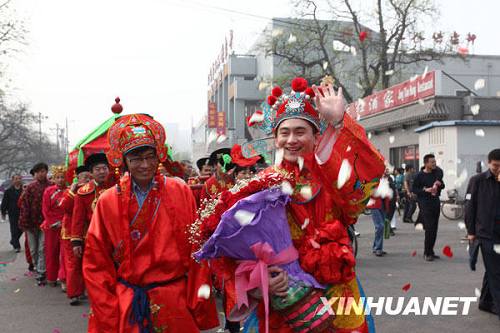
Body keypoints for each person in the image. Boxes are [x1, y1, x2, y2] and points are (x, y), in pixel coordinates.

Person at [194, 78, 385, 332]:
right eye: (285, 132)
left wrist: (340, 122)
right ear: (275, 139)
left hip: (336, 293)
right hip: (284, 299)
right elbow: (235, 254)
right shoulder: (259, 187)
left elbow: (368, 176)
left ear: (316, 136)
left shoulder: (332, 177)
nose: (292, 139)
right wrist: (261, 281)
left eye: (300, 131)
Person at [83, 112, 218, 332]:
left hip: (174, 298)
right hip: (130, 300)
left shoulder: (179, 190)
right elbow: (96, 263)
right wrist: (108, 311)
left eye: (150, 157)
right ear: (124, 161)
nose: (145, 165)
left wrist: (198, 302)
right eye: (136, 159)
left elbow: (197, 250)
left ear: (159, 157)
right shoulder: (107, 201)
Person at [465, 148, 500, 319]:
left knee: (493, 270)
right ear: (489, 163)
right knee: (496, 272)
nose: (498, 170)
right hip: (485, 234)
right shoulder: (477, 180)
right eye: (495, 166)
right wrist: (471, 232)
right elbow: (469, 208)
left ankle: (486, 302)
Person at [70, 153, 111, 261]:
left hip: (114, 236)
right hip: (93, 237)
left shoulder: (117, 187)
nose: (102, 172)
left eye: (104, 168)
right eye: (98, 169)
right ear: (91, 173)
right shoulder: (83, 192)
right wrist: (76, 242)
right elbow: (78, 219)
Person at [60, 165, 91, 305]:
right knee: (73, 264)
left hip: (86, 233)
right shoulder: (70, 191)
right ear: (77, 178)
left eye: (89, 177)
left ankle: (83, 290)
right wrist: (72, 192)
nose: (87, 179)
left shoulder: (91, 191)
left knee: (86, 263)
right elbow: (63, 207)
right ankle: (73, 293)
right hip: (70, 233)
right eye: (84, 177)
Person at [19, 162, 52, 285]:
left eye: (43, 171)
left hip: (45, 223)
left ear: (46, 172)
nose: (41, 174)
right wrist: (24, 223)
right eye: (38, 172)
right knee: (33, 249)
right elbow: (24, 206)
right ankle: (38, 268)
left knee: (42, 248)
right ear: (35, 173)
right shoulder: (30, 188)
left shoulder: (51, 186)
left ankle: (41, 271)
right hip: (30, 223)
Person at [412, 154, 445, 261]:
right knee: (429, 228)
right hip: (425, 204)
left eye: (435, 162)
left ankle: (431, 251)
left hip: (435, 203)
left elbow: (443, 185)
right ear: (426, 163)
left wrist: (439, 184)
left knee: (434, 229)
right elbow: (414, 190)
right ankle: (427, 253)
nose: (434, 164)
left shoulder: (436, 173)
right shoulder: (419, 176)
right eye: (432, 162)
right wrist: (425, 190)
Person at [41, 165, 67, 287]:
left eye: (62, 177)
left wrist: (64, 222)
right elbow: (45, 209)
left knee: (65, 254)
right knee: (51, 252)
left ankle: (63, 278)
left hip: (66, 226)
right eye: (58, 177)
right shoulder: (49, 191)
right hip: (51, 227)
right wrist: (53, 222)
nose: (60, 180)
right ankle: (51, 277)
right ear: (54, 179)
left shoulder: (69, 191)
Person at [1, 174, 23, 252]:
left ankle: (13, 240)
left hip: (23, 213)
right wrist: (3, 213)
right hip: (12, 213)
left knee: (21, 229)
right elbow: (4, 203)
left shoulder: (24, 190)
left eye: (19, 178)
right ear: (12, 180)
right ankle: (17, 246)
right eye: (16, 179)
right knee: (14, 229)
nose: (18, 180)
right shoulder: (8, 191)